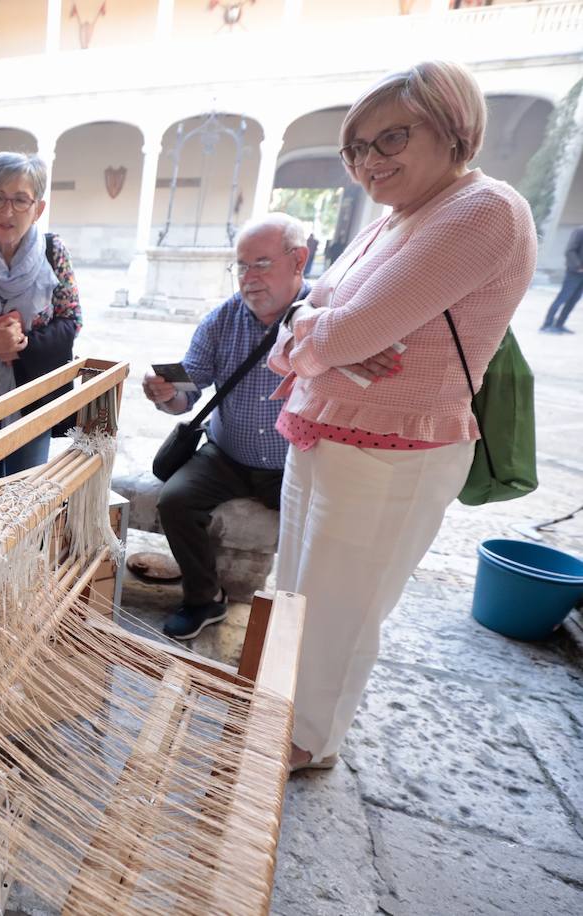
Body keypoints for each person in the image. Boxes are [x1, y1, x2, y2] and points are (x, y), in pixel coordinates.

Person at [267, 61, 536, 772]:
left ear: (453, 130)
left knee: (341, 609)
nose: (369, 162)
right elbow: (306, 317)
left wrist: (322, 340)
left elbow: (338, 332)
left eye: (391, 138)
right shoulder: (394, 220)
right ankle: (272, 716)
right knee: (293, 587)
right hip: (323, 429)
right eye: (356, 148)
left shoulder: (483, 210)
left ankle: (309, 741)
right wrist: (318, 337)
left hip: (392, 451)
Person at [142, 214, 310, 639]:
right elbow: (187, 393)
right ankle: (204, 599)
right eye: (241, 266)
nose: (249, 278)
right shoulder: (221, 320)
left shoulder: (322, 319)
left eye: (262, 264)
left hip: (296, 460)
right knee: (174, 501)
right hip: (226, 455)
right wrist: (167, 395)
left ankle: (299, 618)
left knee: (321, 528)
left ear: (298, 260)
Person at [0, 151, 82, 478]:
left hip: (32, 398)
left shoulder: (54, 253)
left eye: (20, 200)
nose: (7, 211)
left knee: (23, 498)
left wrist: (20, 346)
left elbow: (71, 320)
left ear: (38, 208)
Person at [542, 225, 583, 333]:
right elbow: (570, 251)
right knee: (562, 298)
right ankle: (547, 325)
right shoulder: (580, 230)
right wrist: (578, 266)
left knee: (573, 301)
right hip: (575, 272)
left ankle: (560, 325)